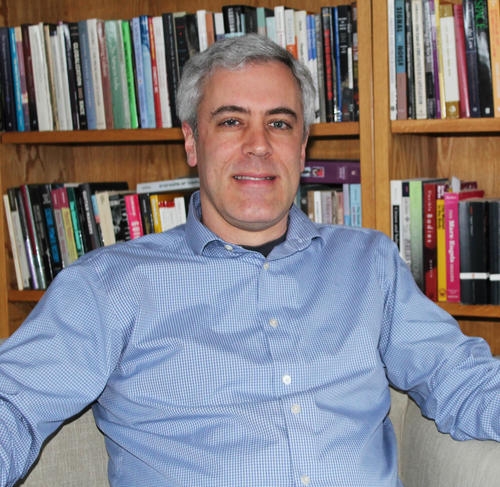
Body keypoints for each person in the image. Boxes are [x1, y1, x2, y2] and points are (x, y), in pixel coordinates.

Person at [0, 33, 499, 487]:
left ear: (302, 146)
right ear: (193, 142)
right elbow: (13, 407)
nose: (258, 145)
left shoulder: (368, 264)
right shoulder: (107, 286)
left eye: (279, 123)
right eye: (232, 121)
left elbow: (462, 381)